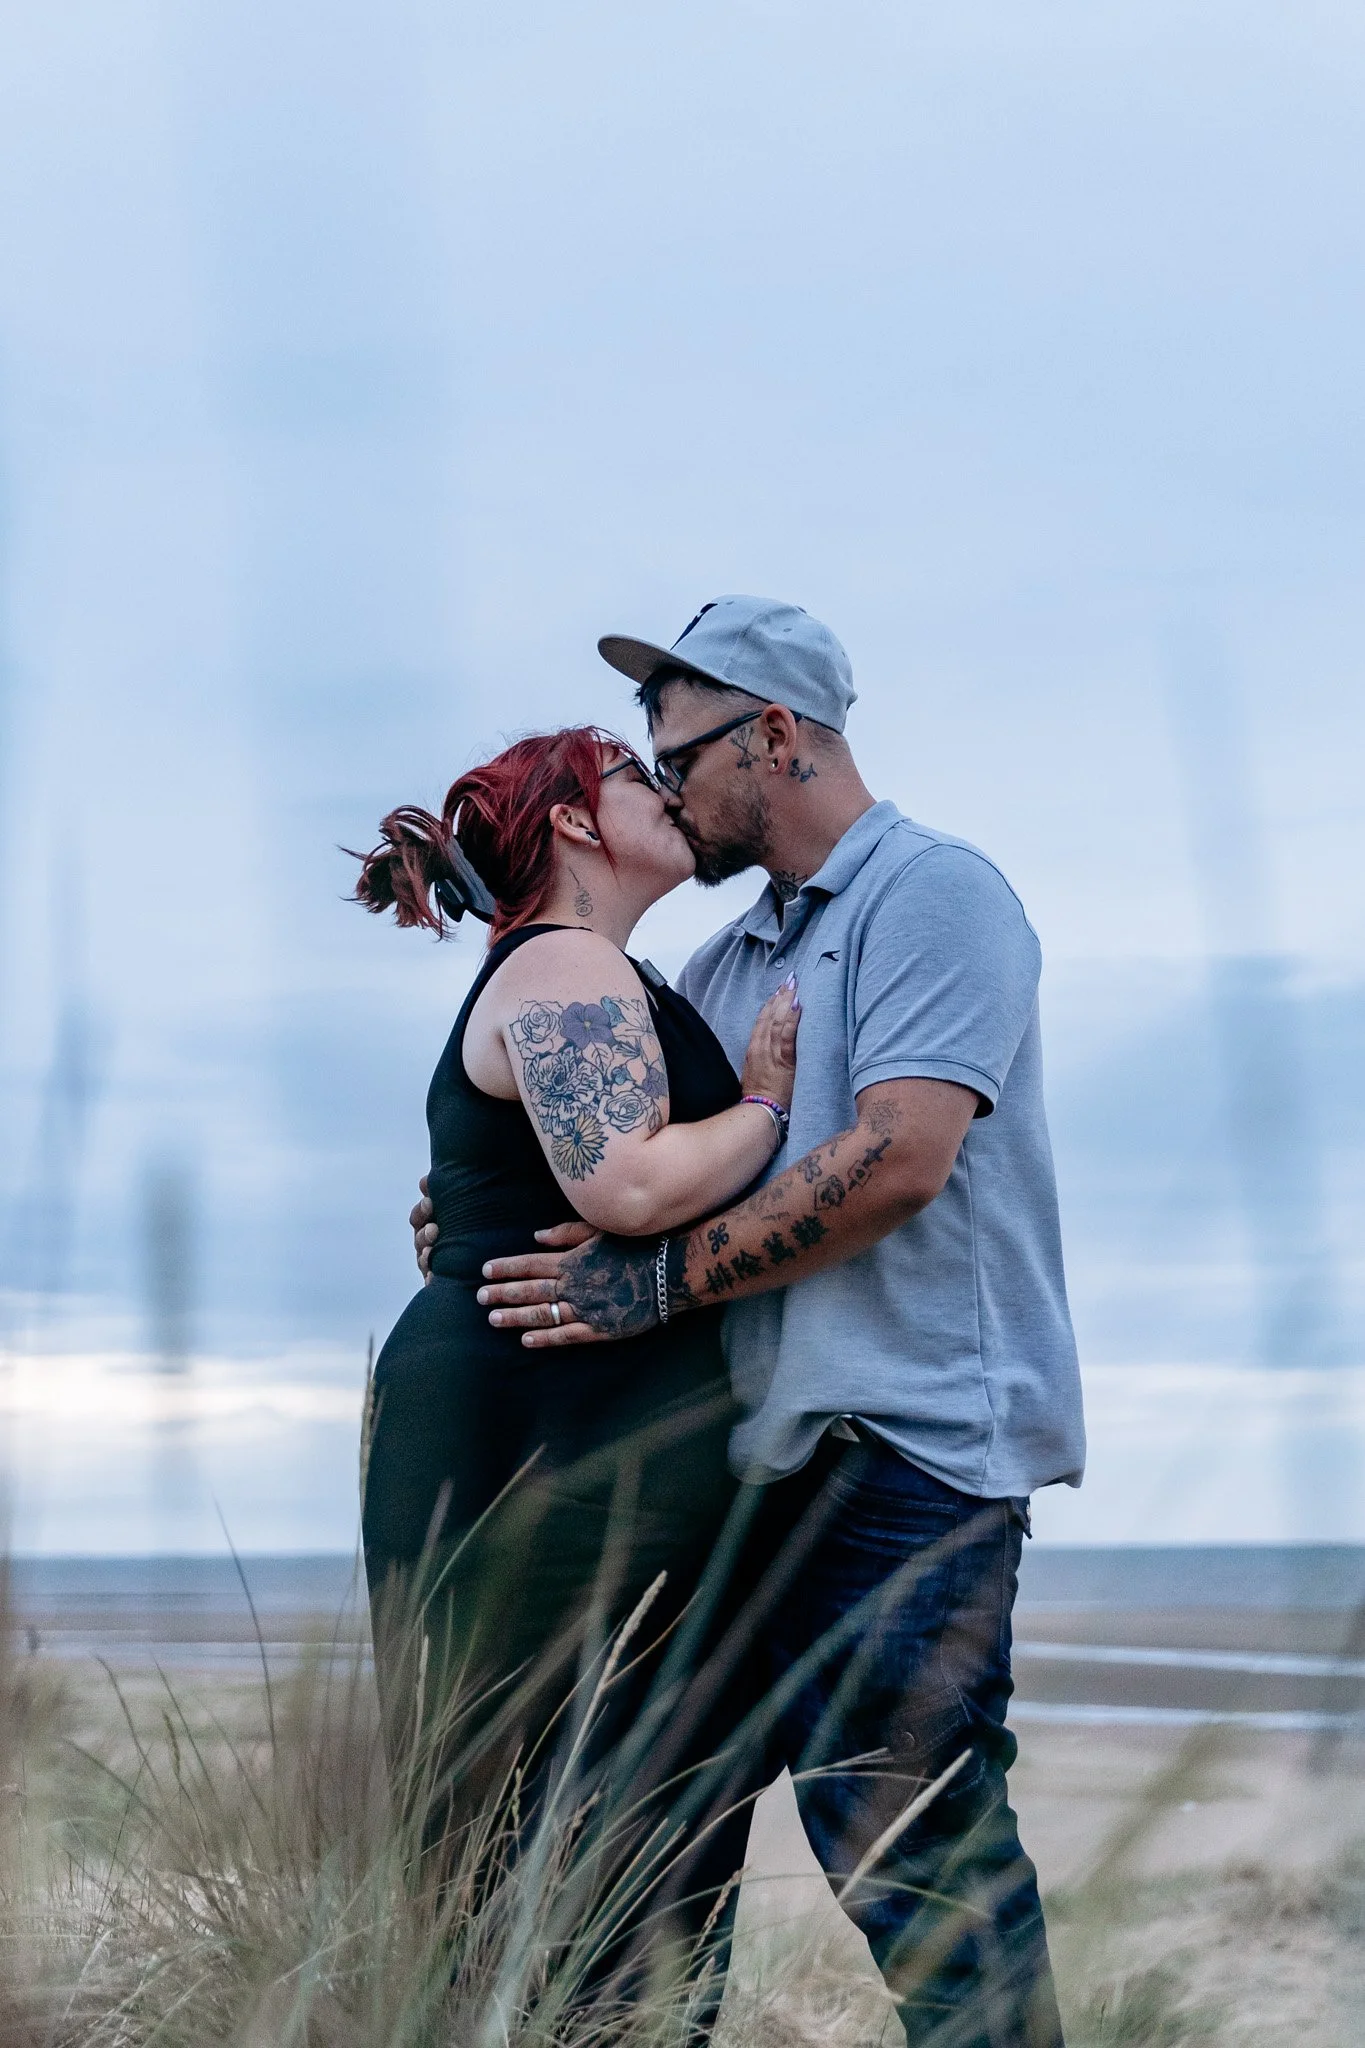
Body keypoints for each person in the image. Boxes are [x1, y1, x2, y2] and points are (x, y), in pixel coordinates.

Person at [437, 597, 1087, 2048]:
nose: (661, 786)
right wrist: (475, 1214)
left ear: (775, 736)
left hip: (906, 1457)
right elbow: (630, 1166)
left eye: (678, 753)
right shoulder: (726, 968)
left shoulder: (937, 895)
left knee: (908, 1849)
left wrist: (655, 1286)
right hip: (739, 1478)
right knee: (663, 1855)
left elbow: (900, 1158)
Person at [351, 723, 800, 1997]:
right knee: (543, 1797)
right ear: (572, 823)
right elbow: (629, 1183)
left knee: (584, 1798)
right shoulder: (564, 968)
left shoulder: (594, 973)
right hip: (529, 1428)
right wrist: (765, 1106)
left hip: (551, 1417)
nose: (663, 789)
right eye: (630, 774)